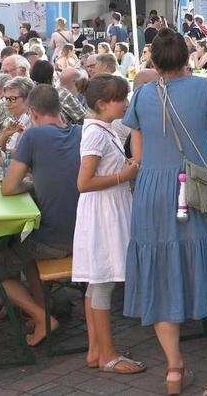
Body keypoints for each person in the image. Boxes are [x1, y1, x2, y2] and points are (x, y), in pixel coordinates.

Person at [122, 29, 207, 393]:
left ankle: (173, 370)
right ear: (188, 58)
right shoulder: (204, 89)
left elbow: (137, 158)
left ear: (153, 62)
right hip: (193, 185)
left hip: (152, 190)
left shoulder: (141, 95)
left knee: (160, 272)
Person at [0, 84, 82, 347]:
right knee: (24, 252)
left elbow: (8, 187)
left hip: (55, 240)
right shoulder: (81, 133)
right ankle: (42, 308)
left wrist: (32, 183)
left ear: (33, 112)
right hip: (84, 233)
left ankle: (42, 317)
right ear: (59, 109)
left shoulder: (33, 137)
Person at [73, 74, 144, 374]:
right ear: (102, 104)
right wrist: (123, 176)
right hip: (103, 211)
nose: (126, 104)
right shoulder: (96, 134)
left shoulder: (104, 127)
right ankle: (108, 355)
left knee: (97, 284)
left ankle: (96, 349)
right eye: (121, 100)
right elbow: (84, 182)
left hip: (107, 209)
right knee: (102, 284)